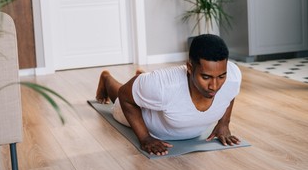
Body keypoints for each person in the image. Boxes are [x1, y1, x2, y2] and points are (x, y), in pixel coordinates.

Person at [96, 34, 242, 156]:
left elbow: (230, 92)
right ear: (190, 68)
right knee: (119, 101)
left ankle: (142, 79)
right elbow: (124, 95)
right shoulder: (163, 86)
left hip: (155, 89)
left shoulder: (233, 76)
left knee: (148, 87)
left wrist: (224, 123)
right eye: (206, 77)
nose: (215, 86)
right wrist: (145, 137)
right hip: (143, 117)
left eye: (221, 77)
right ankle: (106, 79)